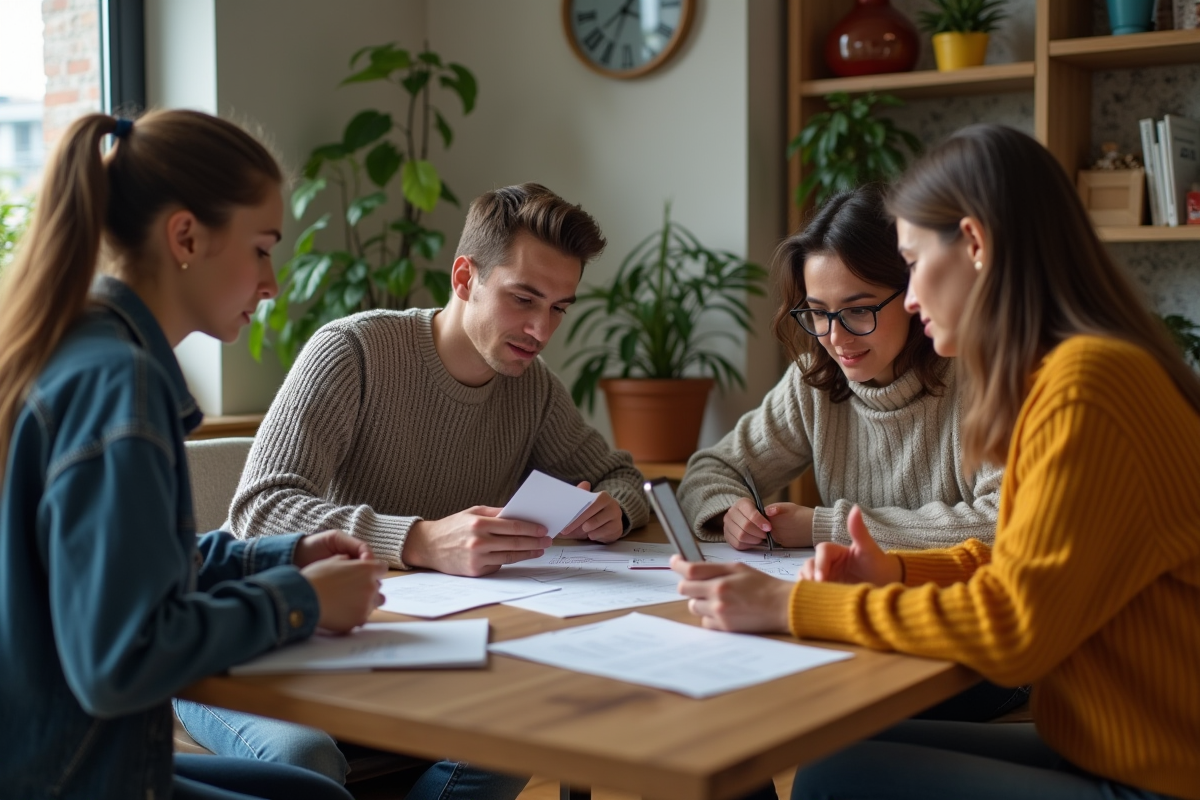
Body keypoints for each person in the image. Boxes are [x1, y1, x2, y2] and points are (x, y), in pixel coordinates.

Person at [673, 124, 1200, 800]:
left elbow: (1015, 628)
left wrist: (793, 604)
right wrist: (896, 570)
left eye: (914, 263)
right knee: (842, 753)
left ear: (974, 244)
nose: (914, 298)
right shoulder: (1070, 373)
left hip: (1159, 775)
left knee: (839, 776)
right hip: (1099, 745)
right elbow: (1022, 561)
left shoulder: (1085, 387)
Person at [174, 182, 649, 790]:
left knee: (514, 737)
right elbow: (259, 511)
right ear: (464, 278)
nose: (540, 329)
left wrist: (615, 509)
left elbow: (621, 476)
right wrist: (418, 540)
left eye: (559, 308)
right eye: (523, 298)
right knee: (306, 759)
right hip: (254, 645)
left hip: (407, 649)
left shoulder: (532, 387)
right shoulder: (354, 350)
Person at [0, 111, 389, 800]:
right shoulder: (122, 387)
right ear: (185, 236)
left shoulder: (74, 345)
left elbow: (128, 570)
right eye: (262, 249)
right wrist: (299, 600)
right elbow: (121, 658)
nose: (273, 283)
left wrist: (281, 557)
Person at [678, 184, 1001, 556]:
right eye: (818, 312)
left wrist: (830, 527)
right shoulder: (814, 379)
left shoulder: (981, 378)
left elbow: (1007, 520)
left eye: (859, 310)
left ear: (913, 295)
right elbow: (708, 471)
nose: (835, 338)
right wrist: (731, 512)